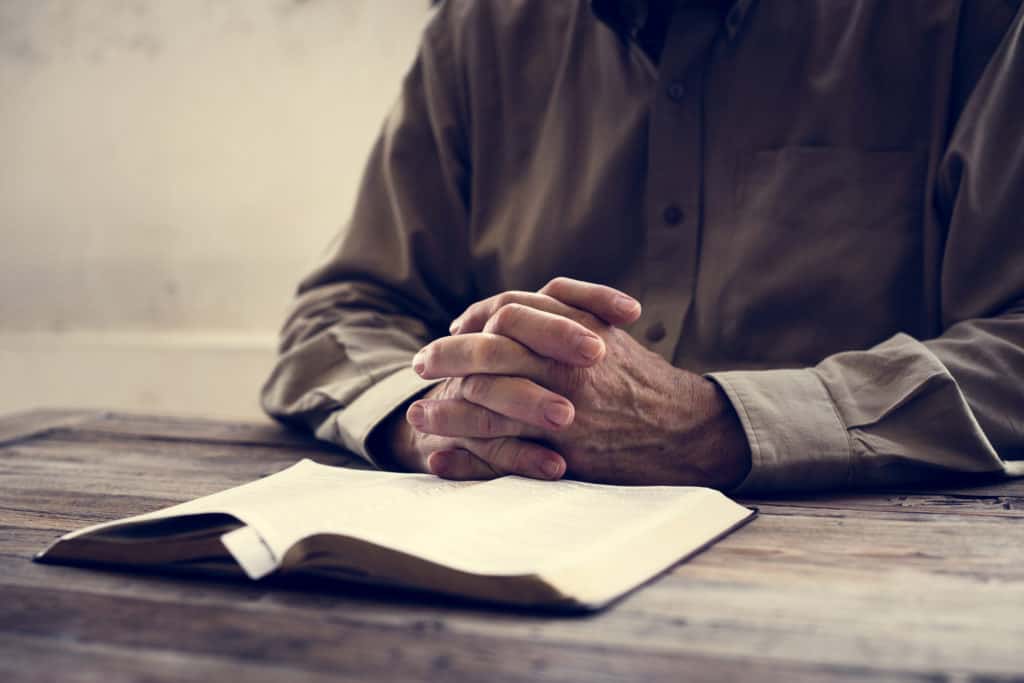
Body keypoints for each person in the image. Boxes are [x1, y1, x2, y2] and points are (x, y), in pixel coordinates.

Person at [261, 0, 1024, 494]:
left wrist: (716, 427)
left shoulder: (974, 22)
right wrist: (444, 417)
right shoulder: (479, 29)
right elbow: (341, 314)